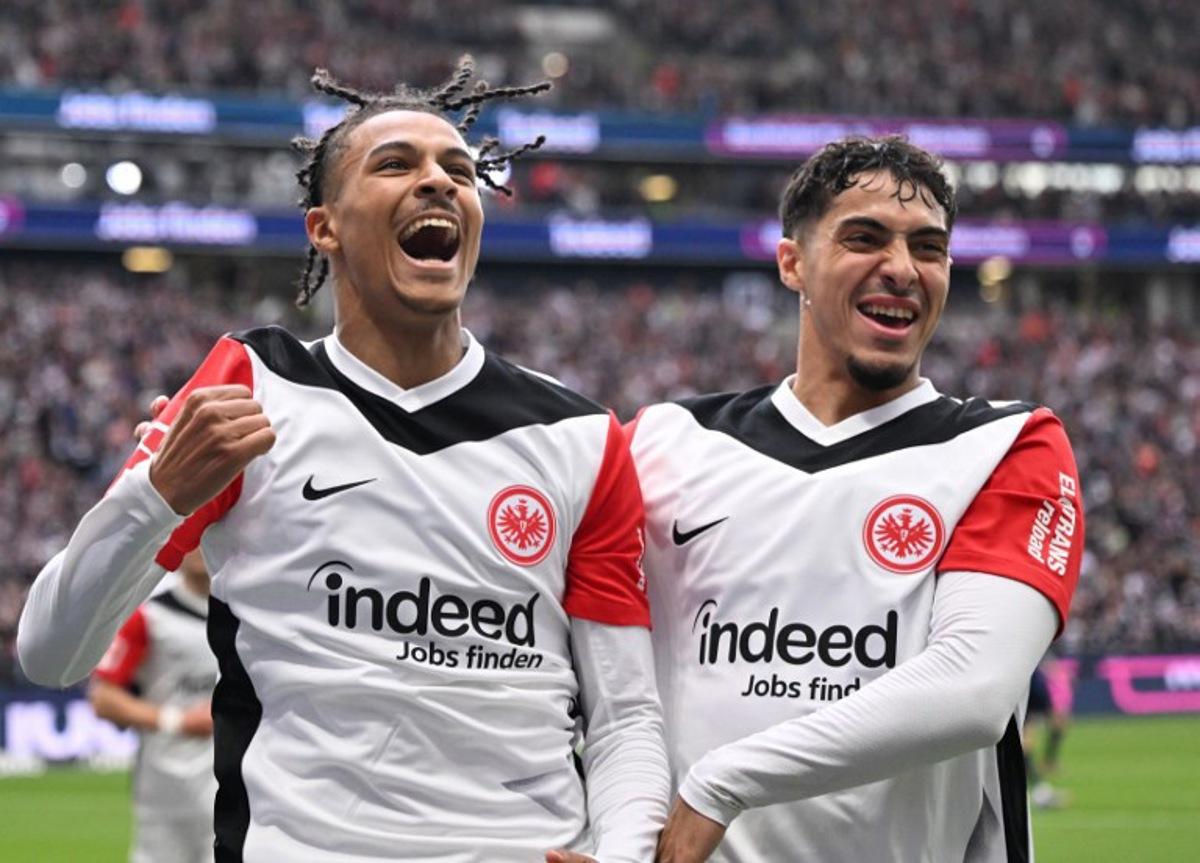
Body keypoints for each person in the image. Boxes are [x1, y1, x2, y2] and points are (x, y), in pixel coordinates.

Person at [18, 57, 668, 863]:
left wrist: (628, 852)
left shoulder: (581, 435)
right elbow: (51, 650)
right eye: (395, 164)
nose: (439, 182)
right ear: (323, 226)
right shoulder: (251, 386)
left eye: (459, 170)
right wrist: (158, 494)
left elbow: (626, 715)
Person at [630, 136, 1085, 862]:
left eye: (928, 249)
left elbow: (974, 688)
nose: (901, 269)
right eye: (865, 238)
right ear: (792, 263)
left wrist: (722, 782)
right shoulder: (664, 440)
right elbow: (601, 681)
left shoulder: (1006, 446)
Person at [90, 548, 218, 863]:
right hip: (167, 787)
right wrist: (179, 721)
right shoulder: (148, 617)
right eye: (193, 536)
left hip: (236, 782)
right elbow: (104, 698)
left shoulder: (250, 614)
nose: (199, 548)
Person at [1024, 660, 1072, 809]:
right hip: (1026, 686)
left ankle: (1048, 765)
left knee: (1058, 724)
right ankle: (1041, 793)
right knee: (1024, 744)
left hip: (1032, 685)